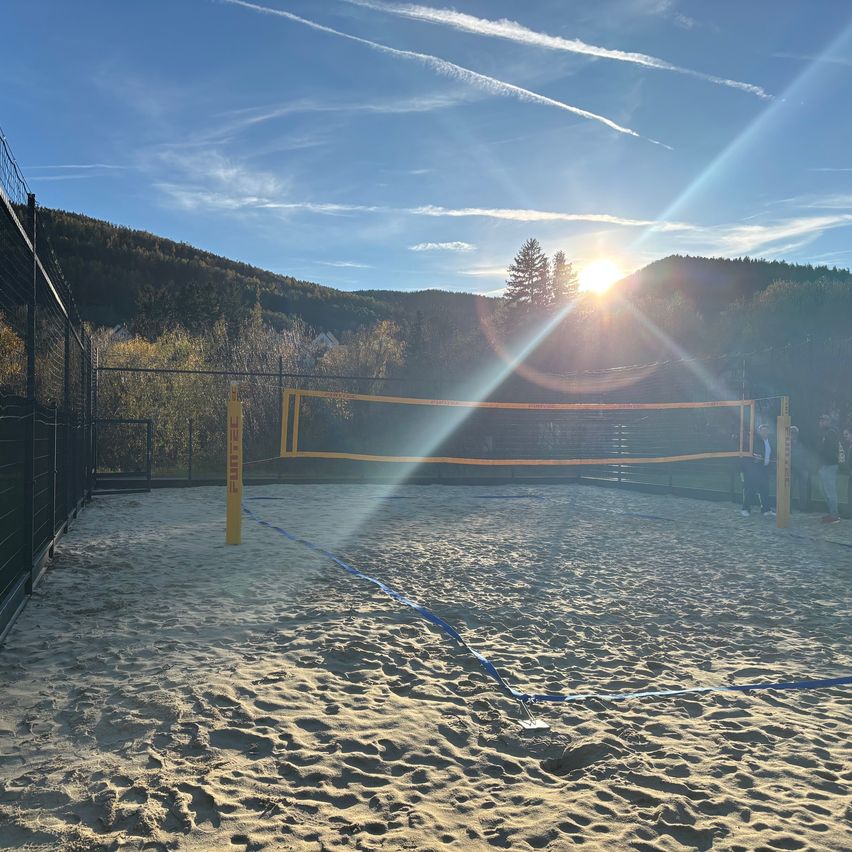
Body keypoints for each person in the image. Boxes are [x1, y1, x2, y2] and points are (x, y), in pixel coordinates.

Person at [741, 424, 774, 517]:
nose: (764, 432)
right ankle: (745, 508)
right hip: (756, 468)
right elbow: (750, 453)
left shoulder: (770, 441)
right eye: (762, 430)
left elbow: (772, 454)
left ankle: (766, 510)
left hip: (765, 469)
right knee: (751, 489)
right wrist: (755, 457)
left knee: (765, 490)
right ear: (759, 432)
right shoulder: (755, 441)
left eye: (766, 430)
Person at [816, 413, 841, 524]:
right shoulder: (825, 433)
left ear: (828, 421)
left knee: (830, 491)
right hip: (824, 465)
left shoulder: (831, 433)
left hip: (830, 465)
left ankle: (834, 515)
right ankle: (832, 513)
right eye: (820, 420)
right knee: (824, 490)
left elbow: (829, 450)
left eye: (824, 420)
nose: (821, 422)